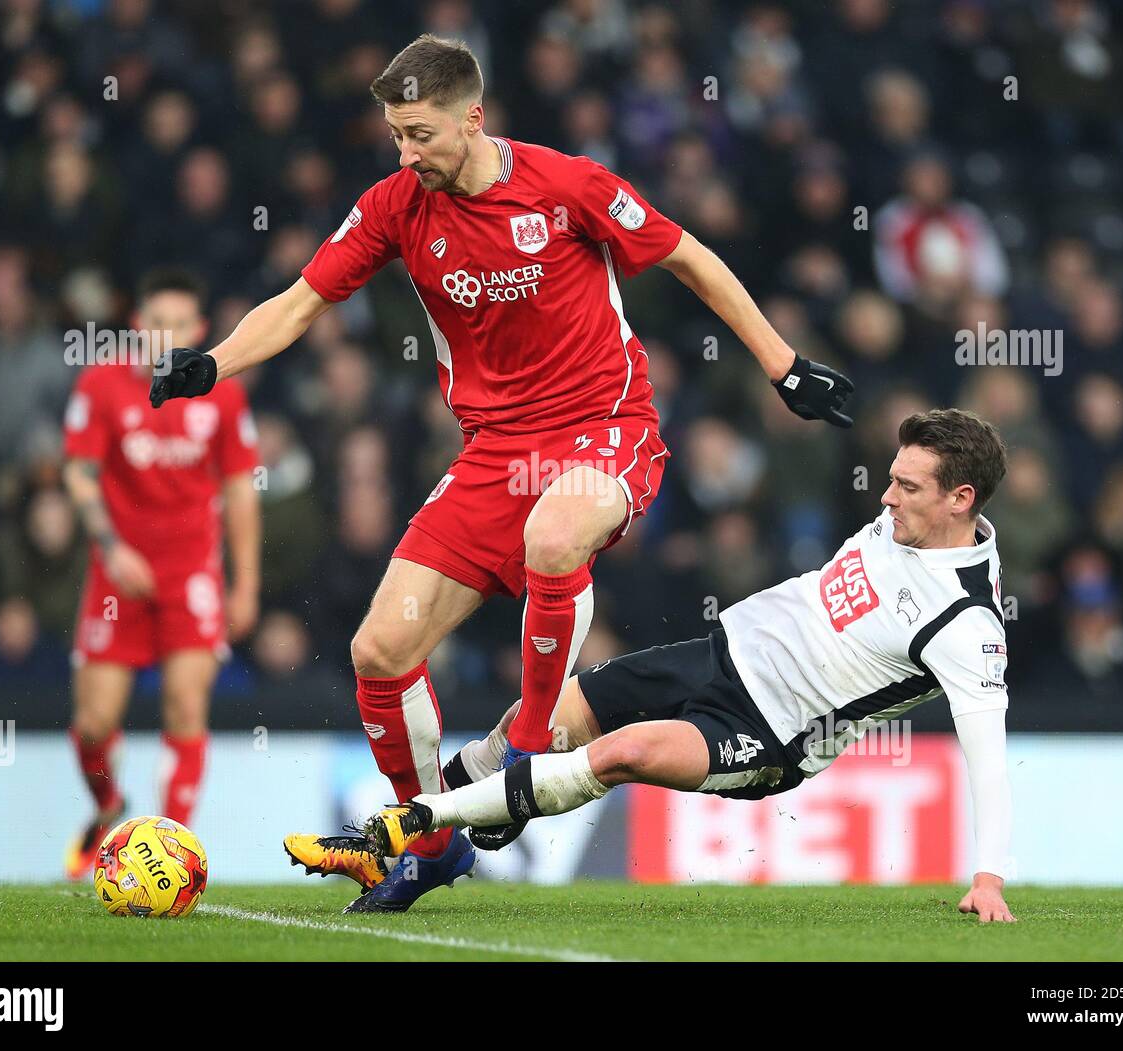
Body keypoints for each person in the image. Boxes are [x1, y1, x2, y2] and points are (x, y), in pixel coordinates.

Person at [150, 34, 853, 913]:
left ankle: (523, 753)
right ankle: (432, 840)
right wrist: (211, 364)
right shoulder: (394, 206)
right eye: (395, 136)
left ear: (472, 118)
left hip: (606, 428)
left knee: (555, 536)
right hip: (494, 453)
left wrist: (786, 367)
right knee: (378, 651)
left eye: (419, 134)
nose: (405, 154)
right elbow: (301, 302)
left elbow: (689, 255)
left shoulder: (567, 185)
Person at [358, 409, 1018, 922]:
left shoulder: (966, 624)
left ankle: (419, 825)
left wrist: (987, 876)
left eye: (906, 485)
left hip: (771, 731)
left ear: (960, 499)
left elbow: (986, 757)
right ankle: (422, 843)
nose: (885, 498)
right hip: (718, 654)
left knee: (624, 752)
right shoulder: (909, 523)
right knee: (541, 719)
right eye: (891, 478)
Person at [62, 268, 261, 879]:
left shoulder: (222, 393)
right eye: (158, 324)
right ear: (138, 326)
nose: (167, 334)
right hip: (118, 576)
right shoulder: (101, 385)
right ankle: (110, 807)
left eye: (181, 325)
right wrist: (113, 546)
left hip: (191, 575)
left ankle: (171, 852)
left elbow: (240, 490)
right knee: (93, 726)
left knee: (184, 703)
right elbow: (77, 472)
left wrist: (246, 582)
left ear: (200, 331)